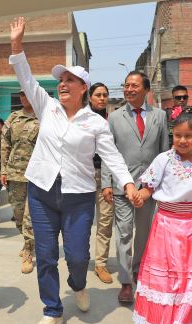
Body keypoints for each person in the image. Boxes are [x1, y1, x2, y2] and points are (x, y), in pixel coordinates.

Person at [10, 17, 137, 324]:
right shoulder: (47, 107)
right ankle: (52, 310)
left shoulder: (95, 123)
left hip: (79, 197)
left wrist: (128, 183)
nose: (62, 84)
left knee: (78, 256)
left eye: (69, 80)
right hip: (42, 193)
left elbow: (112, 158)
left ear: (84, 88)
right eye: (60, 80)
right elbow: (25, 77)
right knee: (46, 255)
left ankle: (78, 284)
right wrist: (16, 45)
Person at [132, 112, 192, 324]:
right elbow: (149, 187)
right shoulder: (164, 159)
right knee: (167, 277)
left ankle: (181, 323)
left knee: (189, 277)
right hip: (165, 226)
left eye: (188, 136)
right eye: (178, 135)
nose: (182, 140)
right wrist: (139, 197)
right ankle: (161, 322)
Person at [101, 71, 168, 303]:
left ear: (146, 89)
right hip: (121, 187)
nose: (128, 89)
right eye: (126, 85)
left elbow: (164, 154)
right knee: (124, 233)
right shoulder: (114, 117)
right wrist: (106, 183)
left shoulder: (160, 115)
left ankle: (139, 269)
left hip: (149, 188)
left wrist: (160, 185)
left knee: (144, 233)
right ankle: (126, 281)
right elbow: (108, 153)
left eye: (134, 85)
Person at [0, 91, 39, 274]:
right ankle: (27, 242)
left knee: (30, 216)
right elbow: (5, 143)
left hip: (36, 175)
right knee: (18, 213)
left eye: (27, 94)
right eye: (21, 95)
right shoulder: (13, 117)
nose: (24, 98)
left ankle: (29, 252)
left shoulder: (43, 116)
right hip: (15, 174)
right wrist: (3, 169)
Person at [89, 82, 115, 284]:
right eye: (98, 94)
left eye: (105, 95)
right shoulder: (82, 118)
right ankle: (80, 259)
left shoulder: (112, 120)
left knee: (105, 222)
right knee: (82, 220)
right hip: (84, 175)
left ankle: (100, 263)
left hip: (107, 177)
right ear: (90, 97)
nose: (102, 98)